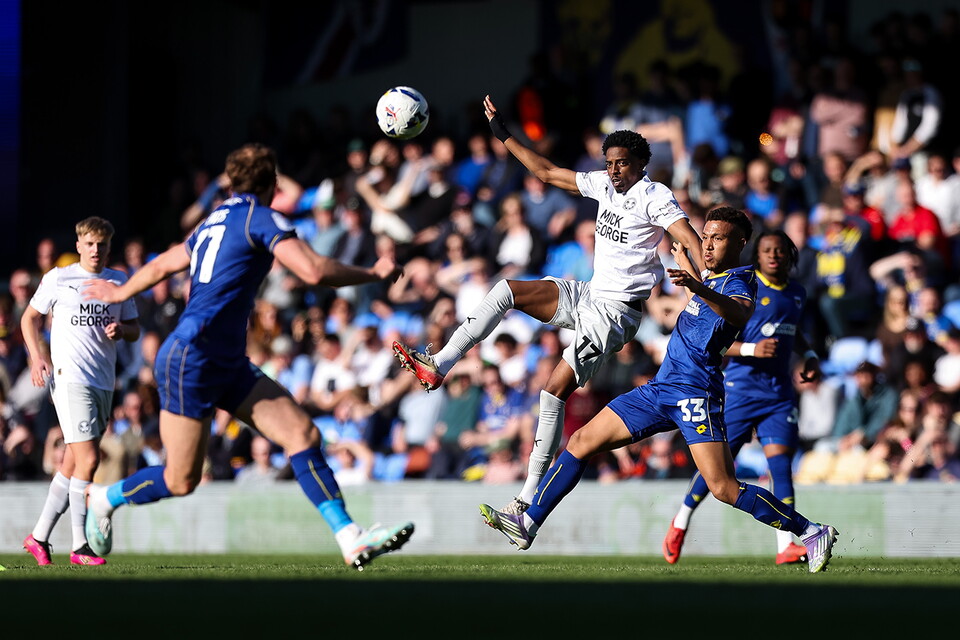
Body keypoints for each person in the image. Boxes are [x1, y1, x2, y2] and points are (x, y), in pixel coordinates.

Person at [81, 143, 414, 570]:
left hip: (225, 360)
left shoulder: (213, 219)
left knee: (303, 436)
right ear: (272, 185)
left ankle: (351, 538)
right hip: (192, 357)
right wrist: (373, 273)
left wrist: (121, 290)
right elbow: (313, 271)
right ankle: (103, 497)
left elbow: (166, 262)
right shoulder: (262, 217)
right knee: (180, 481)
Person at [478, 207, 839, 573]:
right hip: (661, 388)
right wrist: (694, 275)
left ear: (741, 243)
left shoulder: (741, 281)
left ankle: (810, 530)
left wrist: (696, 284)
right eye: (707, 236)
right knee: (581, 440)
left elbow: (740, 314)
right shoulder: (711, 279)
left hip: (696, 394)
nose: (708, 243)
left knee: (724, 488)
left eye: (718, 238)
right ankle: (529, 523)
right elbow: (703, 312)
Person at [393, 94, 705, 517]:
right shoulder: (603, 185)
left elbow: (687, 235)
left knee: (550, 392)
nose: (613, 170)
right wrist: (504, 133)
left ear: (640, 163)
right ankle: (440, 363)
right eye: (609, 162)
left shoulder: (653, 195)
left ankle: (525, 500)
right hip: (590, 295)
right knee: (505, 289)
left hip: (616, 315)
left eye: (622, 163)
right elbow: (544, 170)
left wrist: (706, 280)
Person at [662, 229, 821, 566]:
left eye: (780, 250)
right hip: (739, 391)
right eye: (768, 251)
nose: (774, 256)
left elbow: (794, 333)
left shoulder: (796, 293)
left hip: (778, 395)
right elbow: (717, 340)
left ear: (789, 255)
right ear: (757, 255)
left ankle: (785, 546)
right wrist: (751, 349)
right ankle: (681, 520)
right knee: (718, 473)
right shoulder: (745, 288)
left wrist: (809, 357)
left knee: (780, 466)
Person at [21, 216, 141, 566]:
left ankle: (38, 537)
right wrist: (35, 358)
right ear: (78, 245)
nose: (95, 250)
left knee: (74, 463)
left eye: (101, 244)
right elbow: (29, 318)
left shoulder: (118, 281)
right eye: (89, 243)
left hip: (104, 380)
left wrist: (123, 330)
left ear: (108, 247)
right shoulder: (59, 278)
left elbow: (134, 328)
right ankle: (80, 546)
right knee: (90, 459)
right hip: (69, 378)